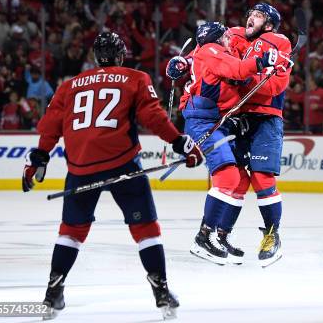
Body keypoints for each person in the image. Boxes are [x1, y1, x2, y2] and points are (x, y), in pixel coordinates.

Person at [21, 31, 203, 320]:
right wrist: (180, 142)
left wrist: (39, 158)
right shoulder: (135, 78)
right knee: (145, 229)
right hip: (123, 164)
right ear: (121, 56)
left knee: (71, 231)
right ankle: (161, 291)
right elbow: (153, 117)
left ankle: (53, 291)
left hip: (80, 167)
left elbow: (50, 126)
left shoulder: (69, 86)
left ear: (95, 57)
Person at [166, 21, 278, 266]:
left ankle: (219, 235)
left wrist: (180, 63)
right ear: (217, 38)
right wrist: (261, 62)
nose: (230, 38)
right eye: (225, 35)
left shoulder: (206, 51)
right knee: (228, 178)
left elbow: (191, 59)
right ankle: (203, 237)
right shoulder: (211, 50)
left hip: (216, 121)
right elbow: (237, 70)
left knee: (240, 178)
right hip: (204, 122)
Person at [224, 3, 293, 267]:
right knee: (237, 178)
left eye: (259, 16)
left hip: (266, 117)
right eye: (250, 14)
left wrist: (241, 79)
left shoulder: (276, 40)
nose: (251, 18)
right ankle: (222, 234)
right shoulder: (239, 38)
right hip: (240, 118)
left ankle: (272, 237)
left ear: (269, 24)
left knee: (262, 177)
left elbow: (274, 85)